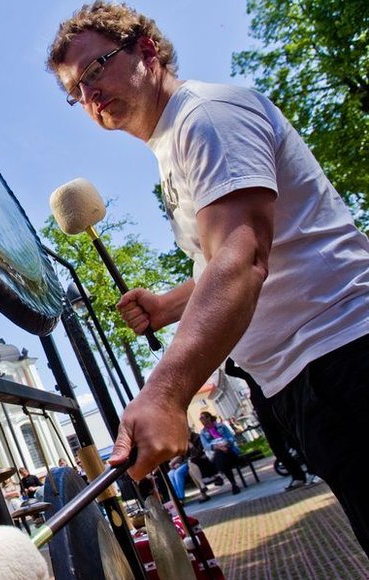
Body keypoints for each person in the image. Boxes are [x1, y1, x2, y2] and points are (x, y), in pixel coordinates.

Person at [47, 2, 369, 553]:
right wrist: (172, 304)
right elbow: (237, 255)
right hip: (304, 376)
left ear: (145, 49)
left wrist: (166, 392)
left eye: (96, 69)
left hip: (345, 353)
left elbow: (241, 260)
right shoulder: (171, 147)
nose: (90, 95)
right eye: (76, 91)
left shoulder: (207, 117)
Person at [224, 358, 313, 491]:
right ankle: (298, 476)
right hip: (264, 412)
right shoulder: (248, 371)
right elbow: (229, 370)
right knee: (277, 447)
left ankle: (313, 471)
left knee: (296, 441)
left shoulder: (267, 364)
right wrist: (231, 351)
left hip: (279, 406)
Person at [197, 412, 241, 495]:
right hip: (218, 454)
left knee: (221, 457)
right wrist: (218, 447)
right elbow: (206, 446)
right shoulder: (202, 433)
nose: (201, 420)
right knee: (222, 457)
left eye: (202, 418)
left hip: (230, 451)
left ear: (209, 418)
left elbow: (231, 437)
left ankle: (220, 475)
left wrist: (226, 444)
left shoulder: (221, 426)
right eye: (200, 419)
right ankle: (234, 485)